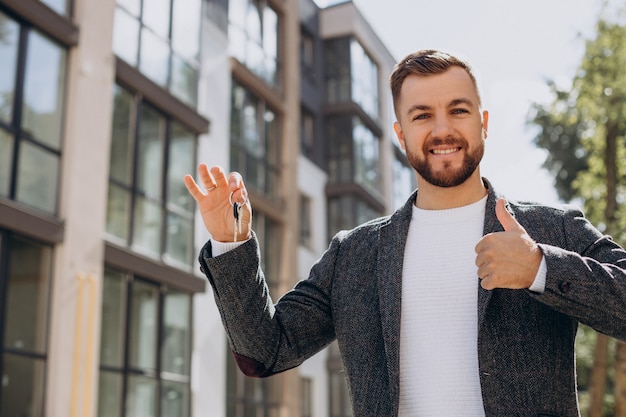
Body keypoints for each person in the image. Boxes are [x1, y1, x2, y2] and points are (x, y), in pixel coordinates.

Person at [184, 50, 626, 417]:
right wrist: (231, 245)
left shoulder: (553, 230)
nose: (442, 129)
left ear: (484, 122)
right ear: (400, 134)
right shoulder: (354, 255)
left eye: (458, 110)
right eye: (422, 115)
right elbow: (267, 351)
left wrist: (541, 268)